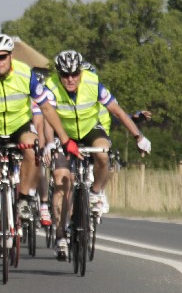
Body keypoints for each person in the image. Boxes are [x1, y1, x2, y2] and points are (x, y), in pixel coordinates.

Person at [0, 33, 78, 263]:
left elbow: (47, 108)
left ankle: (23, 198)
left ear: (10, 56)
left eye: (2, 57)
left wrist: (65, 140)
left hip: (18, 127)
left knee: (33, 149)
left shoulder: (26, 74)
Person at [45, 50, 151, 260]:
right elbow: (48, 118)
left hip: (89, 129)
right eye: (65, 75)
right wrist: (49, 143)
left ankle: (95, 192)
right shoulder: (50, 87)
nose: (70, 79)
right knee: (60, 179)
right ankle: (60, 235)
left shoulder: (93, 83)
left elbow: (117, 111)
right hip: (63, 133)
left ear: (81, 72)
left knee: (103, 154)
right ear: (58, 74)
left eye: (75, 74)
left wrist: (139, 137)